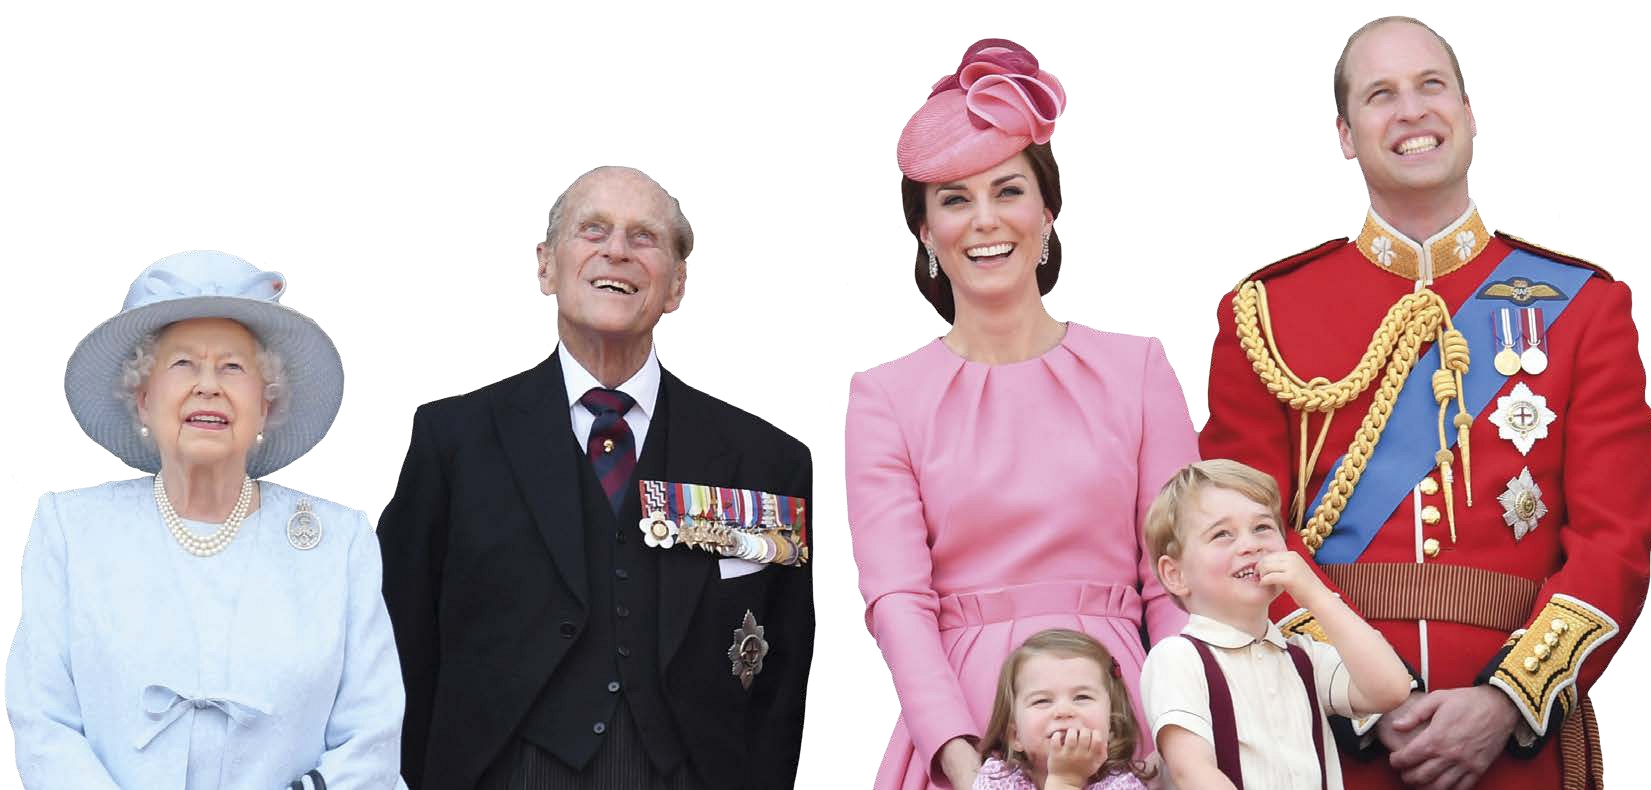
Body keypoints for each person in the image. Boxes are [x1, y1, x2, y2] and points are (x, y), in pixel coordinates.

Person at [1199, 16, 1651, 789]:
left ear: (1470, 114)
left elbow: (1617, 538)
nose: (1411, 110)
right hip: (1328, 742)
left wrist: (1508, 701)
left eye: (1430, 85)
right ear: (1345, 135)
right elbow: (1239, 538)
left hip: (1519, 745)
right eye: (1381, 95)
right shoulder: (1266, 314)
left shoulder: (1584, 306)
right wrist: (1365, 697)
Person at [378, 166, 813, 790]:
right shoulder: (454, 441)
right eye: (593, 230)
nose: (617, 250)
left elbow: (784, 676)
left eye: (644, 237)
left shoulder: (767, 463)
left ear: (677, 285)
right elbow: (398, 641)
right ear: (546, 266)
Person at [847, 38, 1198, 790]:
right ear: (924, 232)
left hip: (1128, 719)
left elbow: (1176, 580)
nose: (984, 221)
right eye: (953, 199)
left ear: (1048, 210)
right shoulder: (884, 398)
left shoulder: (1137, 368)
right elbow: (898, 603)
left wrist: (1175, 744)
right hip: (963, 728)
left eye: (1007, 191)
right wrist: (965, 762)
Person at [6, 250, 405, 789]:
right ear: (143, 399)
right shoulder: (71, 530)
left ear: (266, 404)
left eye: (233, 367)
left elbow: (372, 737)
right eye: (183, 364)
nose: (208, 385)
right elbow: (43, 722)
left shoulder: (340, 543)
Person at [1139, 460, 1412, 788]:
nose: (1250, 545)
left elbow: (1392, 689)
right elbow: (1192, 771)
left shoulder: (1302, 657)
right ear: (1176, 575)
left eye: (1263, 528)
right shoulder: (1177, 658)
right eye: (1222, 534)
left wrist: (1317, 596)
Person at [974, 629, 1152, 790]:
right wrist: (1064, 781)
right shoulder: (997, 779)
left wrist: (1066, 781)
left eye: (1082, 697)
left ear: (1112, 726)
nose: (1064, 710)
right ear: (1015, 736)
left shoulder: (1122, 785)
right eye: (1042, 701)